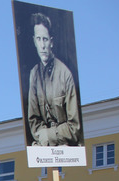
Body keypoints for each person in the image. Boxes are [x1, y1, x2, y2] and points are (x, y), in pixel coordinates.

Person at [26, 12, 83, 146]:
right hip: (44, 144)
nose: (42, 45)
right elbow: (33, 119)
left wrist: (50, 135)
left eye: (45, 39)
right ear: (34, 41)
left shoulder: (65, 74)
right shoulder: (34, 74)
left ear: (51, 41)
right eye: (39, 39)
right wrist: (43, 136)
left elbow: (74, 127)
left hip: (66, 146)